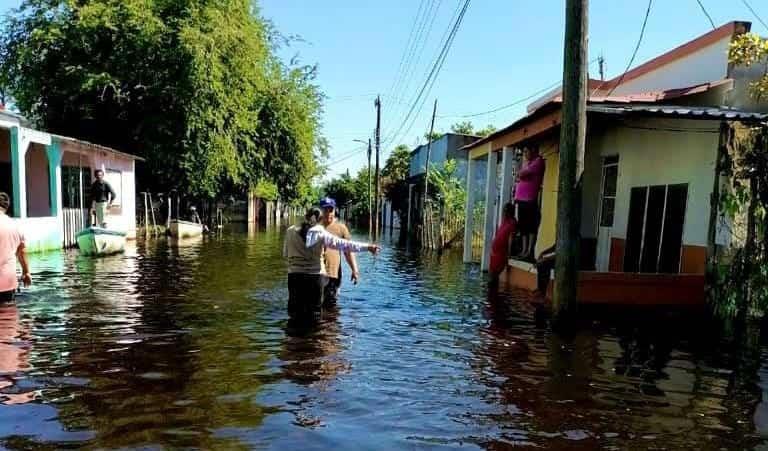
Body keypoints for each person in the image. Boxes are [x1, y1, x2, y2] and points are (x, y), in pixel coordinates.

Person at [283, 207, 379, 320]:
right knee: (314, 314)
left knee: (294, 312)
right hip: (315, 278)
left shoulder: (290, 231)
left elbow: (285, 253)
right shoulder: (320, 232)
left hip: (294, 276)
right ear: (320, 219)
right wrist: (367, 247)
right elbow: (344, 245)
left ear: (305, 216)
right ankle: (315, 336)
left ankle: (293, 336)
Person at [319, 197, 360, 308]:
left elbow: (348, 250)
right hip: (316, 273)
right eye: (325, 210)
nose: (328, 213)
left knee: (331, 304)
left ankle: (331, 324)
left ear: (334, 210)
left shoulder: (341, 228)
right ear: (320, 210)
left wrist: (354, 269)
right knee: (315, 305)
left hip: (333, 272)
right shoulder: (315, 227)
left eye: (330, 210)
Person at [514, 146, 545, 261]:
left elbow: (521, 174)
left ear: (533, 150)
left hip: (529, 200)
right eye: (524, 152)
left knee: (530, 227)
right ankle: (524, 250)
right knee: (523, 227)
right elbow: (519, 174)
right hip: (521, 200)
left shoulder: (538, 162)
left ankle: (529, 251)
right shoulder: (528, 163)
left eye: (526, 151)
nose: (525, 154)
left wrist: (520, 174)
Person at [0, 193, 31, 302]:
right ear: (7, 207)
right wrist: (26, 272)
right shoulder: (15, 225)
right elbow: (22, 252)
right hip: (8, 282)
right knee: (8, 316)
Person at [489, 203, 517, 287]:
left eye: (505, 210)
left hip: (501, 251)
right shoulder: (505, 220)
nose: (503, 212)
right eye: (504, 210)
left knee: (494, 275)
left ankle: (493, 295)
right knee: (492, 274)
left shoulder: (512, 222)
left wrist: (508, 254)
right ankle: (492, 294)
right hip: (495, 251)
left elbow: (510, 239)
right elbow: (499, 234)